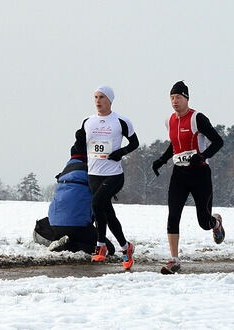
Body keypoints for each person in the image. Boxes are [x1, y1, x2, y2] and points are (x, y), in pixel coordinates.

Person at [151, 81, 225, 274]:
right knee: (173, 215)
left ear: (186, 98)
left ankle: (216, 223)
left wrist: (203, 156)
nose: (174, 101)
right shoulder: (170, 120)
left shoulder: (197, 118)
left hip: (200, 174)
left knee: (203, 222)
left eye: (178, 97)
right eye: (172, 98)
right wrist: (161, 160)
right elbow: (175, 144)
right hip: (179, 174)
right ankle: (174, 260)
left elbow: (218, 141)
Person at [72, 86, 138, 270]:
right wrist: (78, 139)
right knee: (107, 213)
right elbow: (80, 149)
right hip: (94, 174)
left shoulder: (121, 121)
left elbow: (135, 143)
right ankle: (126, 247)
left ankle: (100, 245)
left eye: (101, 97)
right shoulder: (88, 121)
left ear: (110, 100)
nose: (98, 100)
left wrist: (121, 152)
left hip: (114, 175)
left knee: (96, 203)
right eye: (95, 97)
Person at [32, 147, 115, 255]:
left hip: (55, 223)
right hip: (78, 226)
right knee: (109, 249)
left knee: (73, 229)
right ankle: (69, 245)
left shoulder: (65, 172)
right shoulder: (92, 172)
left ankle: (61, 241)